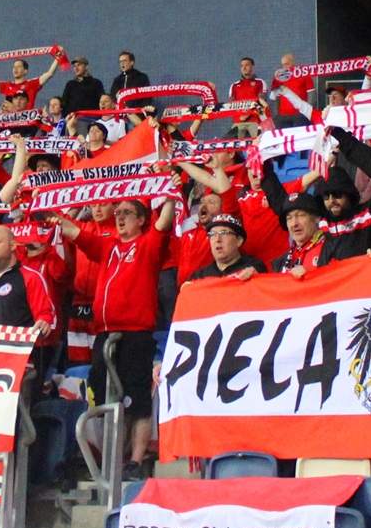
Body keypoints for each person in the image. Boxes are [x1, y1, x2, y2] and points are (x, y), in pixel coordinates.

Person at [58, 196, 172, 480]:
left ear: (142, 220)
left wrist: (169, 192)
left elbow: (164, 221)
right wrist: (48, 213)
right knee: (104, 396)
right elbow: (72, 231)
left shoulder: (148, 245)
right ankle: (112, 460)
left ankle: (135, 461)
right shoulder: (107, 247)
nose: (120, 217)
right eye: (118, 212)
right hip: (104, 334)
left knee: (137, 401)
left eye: (127, 213)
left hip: (135, 334)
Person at [187, 214, 264, 281]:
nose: (217, 239)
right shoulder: (199, 276)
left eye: (224, 233)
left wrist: (255, 277)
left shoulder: (254, 268)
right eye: (212, 234)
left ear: (239, 241)